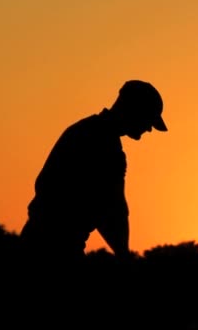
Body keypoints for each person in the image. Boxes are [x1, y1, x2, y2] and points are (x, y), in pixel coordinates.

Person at [18, 80, 167, 288]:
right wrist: (124, 257)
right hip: (58, 252)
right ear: (135, 111)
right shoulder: (109, 150)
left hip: (34, 242)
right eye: (148, 120)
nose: (149, 129)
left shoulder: (80, 130)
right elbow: (113, 210)